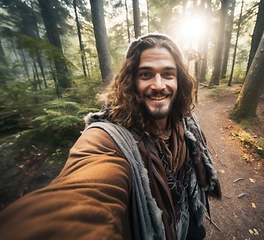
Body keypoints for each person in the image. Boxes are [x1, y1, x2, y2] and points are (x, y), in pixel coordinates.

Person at [0, 33, 221, 240]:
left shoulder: (185, 121)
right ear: (131, 81)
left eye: (168, 74)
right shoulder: (109, 138)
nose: (158, 85)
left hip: (188, 223)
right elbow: (87, 190)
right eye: (146, 74)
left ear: (178, 80)